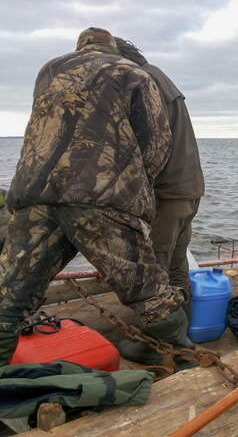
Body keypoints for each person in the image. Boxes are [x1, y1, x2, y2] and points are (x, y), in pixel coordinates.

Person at [0, 28, 192, 367]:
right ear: (113, 48)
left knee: (12, 296)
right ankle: (189, 360)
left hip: (35, 194)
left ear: (80, 48)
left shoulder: (48, 71)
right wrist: (130, 184)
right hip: (100, 197)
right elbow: (156, 143)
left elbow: (40, 132)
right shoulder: (132, 73)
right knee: (147, 291)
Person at [113, 37, 205, 365]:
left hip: (168, 193)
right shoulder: (162, 77)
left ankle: (155, 346)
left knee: (156, 271)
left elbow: (145, 146)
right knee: (177, 265)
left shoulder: (142, 82)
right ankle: (185, 334)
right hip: (188, 187)